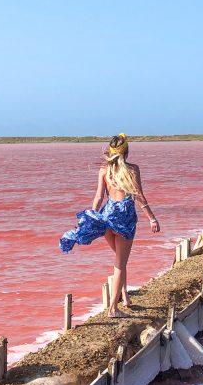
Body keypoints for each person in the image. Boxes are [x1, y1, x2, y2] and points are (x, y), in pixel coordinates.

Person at [59, 134, 161, 318]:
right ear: (127, 151)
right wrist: (152, 219)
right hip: (124, 220)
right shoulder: (133, 169)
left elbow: (99, 197)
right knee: (120, 264)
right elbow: (139, 196)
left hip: (107, 218)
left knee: (119, 260)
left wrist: (91, 216)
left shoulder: (104, 170)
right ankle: (113, 309)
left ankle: (125, 297)